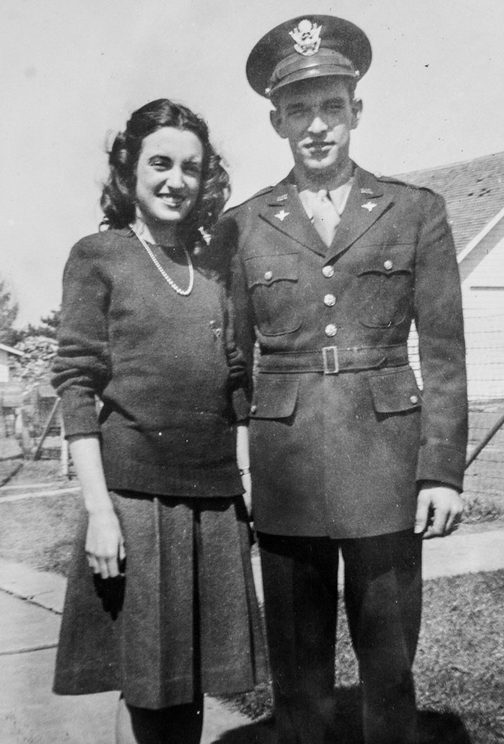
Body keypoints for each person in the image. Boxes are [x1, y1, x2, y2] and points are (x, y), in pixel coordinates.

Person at [216, 15, 468, 744]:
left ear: (357, 110)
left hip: (387, 462)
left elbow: (446, 352)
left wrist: (440, 472)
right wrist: (241, 460)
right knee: (297, 677)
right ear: (276, 121)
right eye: (300, 110)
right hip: (285, 464)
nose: (317, 126)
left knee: (389, 672)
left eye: (332, 107)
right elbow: (234, 358)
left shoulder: (415, 211)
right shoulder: (244, 225)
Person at [51, 98, 267, 744]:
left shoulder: (211, 272)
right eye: (161, 163)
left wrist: (246, 477)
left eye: (191, 168)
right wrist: (100, 511)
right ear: (130, 173)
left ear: (207, 181)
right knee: (146, 687)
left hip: (213, 501)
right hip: (134, 500)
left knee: (190, 685)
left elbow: (235, 387)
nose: (176, 180)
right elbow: (76, 383)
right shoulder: (99, 256)